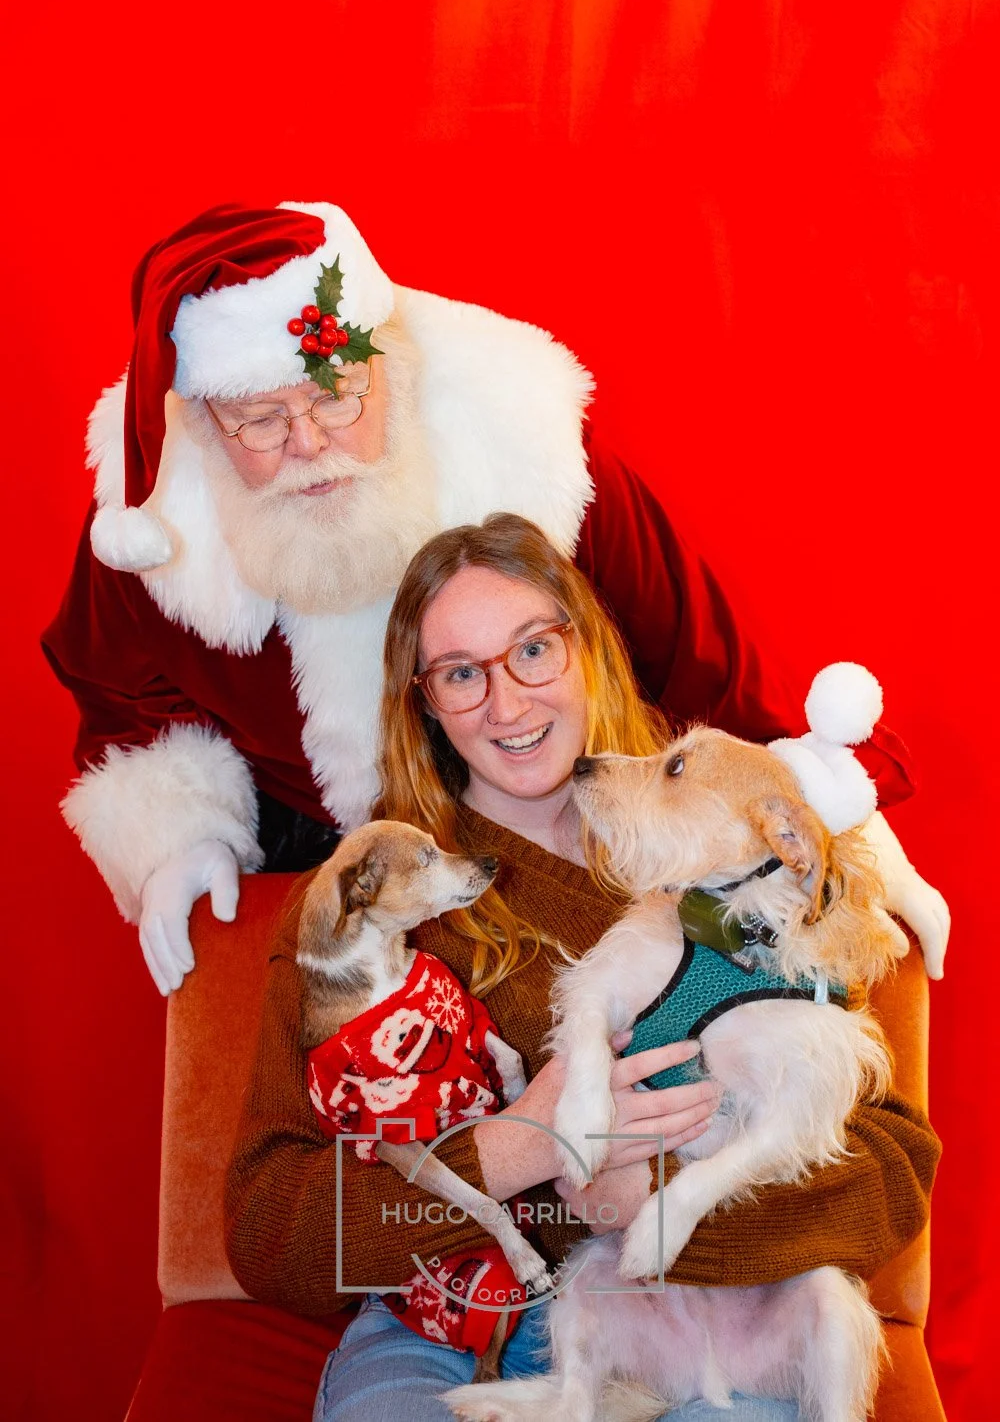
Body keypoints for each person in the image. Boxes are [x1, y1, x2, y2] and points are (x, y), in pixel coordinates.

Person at [40, 201, 945, 998]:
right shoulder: (153, 526)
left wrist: (837, 827)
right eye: (261, 422)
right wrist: (183, 836)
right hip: (328, 861)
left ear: (389, 367)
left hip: (558, 822)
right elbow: (116, 694)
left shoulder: (530, 450)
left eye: (335, 394)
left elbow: (700, 657)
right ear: (202, 429)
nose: (309, 442)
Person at [224, 514, 940, 1422]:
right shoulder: (366, 904)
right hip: (448, 1331)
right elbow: (271, 1231)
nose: (507, 702)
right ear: (425, 703)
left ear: (587, 647)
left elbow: (890, 1173)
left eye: (532, 650)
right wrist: (518, 1146)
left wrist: (656, 1199)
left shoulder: (733, 848)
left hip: (719, 1316)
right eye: (460, 673)